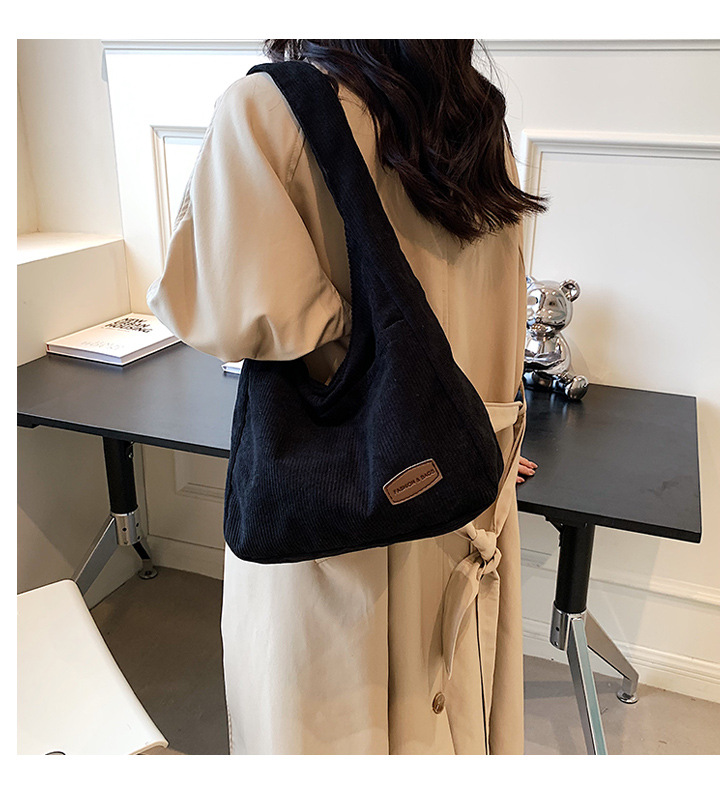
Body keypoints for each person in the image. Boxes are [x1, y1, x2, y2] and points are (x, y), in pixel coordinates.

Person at [147, 39, 545, 755]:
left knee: (338, 733)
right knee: (459, 722)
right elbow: (494, 324)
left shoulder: (270, 111)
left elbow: (214, 310)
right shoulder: (480, 121)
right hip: (464, 497)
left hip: (341, 524)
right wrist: (478, 429)